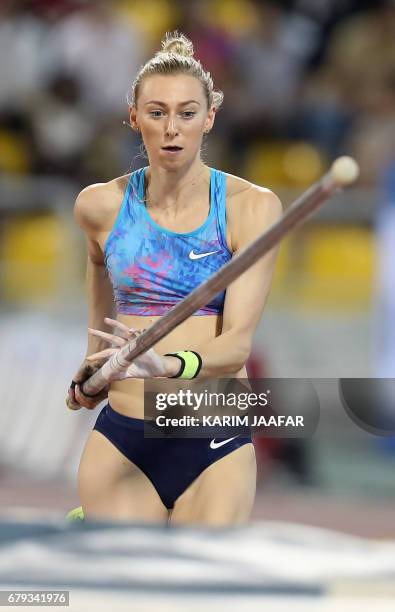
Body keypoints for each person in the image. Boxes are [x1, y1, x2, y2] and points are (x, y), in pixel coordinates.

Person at [67, 31, 282, 526]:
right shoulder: (99, 207)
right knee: (127, 596)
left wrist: (167, 365)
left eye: (187, 113)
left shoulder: (249, 209)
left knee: (195, 593)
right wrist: (92, 365)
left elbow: (236, 348)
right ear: (134, 117)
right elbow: (100, 268)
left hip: (212, 440)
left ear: (209, 118)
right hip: (124, 439)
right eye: (157, 112)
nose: (172, 129)